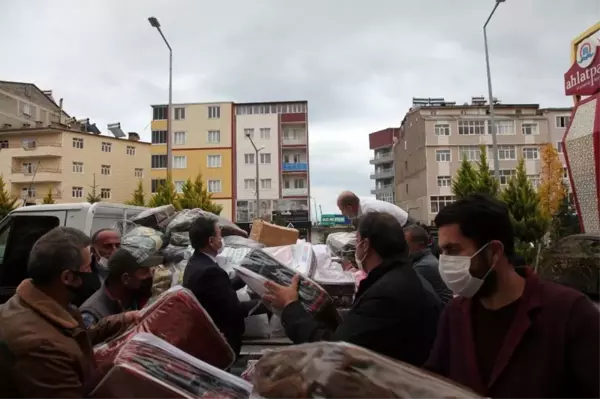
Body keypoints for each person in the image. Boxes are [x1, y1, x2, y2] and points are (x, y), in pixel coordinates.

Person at [425, 193, 600, 398]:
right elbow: (433, 381)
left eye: (453, 250)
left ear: (494, 252)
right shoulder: (455, 314)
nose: (444, 262)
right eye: (442, 252)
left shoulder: (569, 313)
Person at [264, 211, 441, 366]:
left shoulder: (388, 293)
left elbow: (335, 354)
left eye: (356, 241)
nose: (355, 248)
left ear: (365, 245)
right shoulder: (403, 279)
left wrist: (290, 307)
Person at [0, 227, 138, 399]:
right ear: (68, 278)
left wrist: (125, 318)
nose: (93, 272)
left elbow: (78, 336)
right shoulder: (40, 348)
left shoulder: (45, 302)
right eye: (89, 267)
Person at [183, 218, 264, 356]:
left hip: (208, 340)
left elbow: (219, 290)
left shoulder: (196, 263)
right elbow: (234, 310)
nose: (222, 240)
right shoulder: (209, 271)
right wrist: (264, 304)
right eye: (220, 235)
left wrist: (245, 276)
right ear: (211, 241)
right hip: (221, 344)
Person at [80, 247, 158, 328]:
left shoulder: (136, 294)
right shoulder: (91, 315)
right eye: (145, 272)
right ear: (126, 278)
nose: (151, 274)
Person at [404, 224, 453, 305]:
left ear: (420, 245)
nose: (403, 247)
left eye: (406, 244)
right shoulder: (425, 260)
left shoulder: (423, 266)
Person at [337, 190, 415, 227]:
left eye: (342, 210)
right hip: (400, 223)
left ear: (349, 208)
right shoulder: (360, 205)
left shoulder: (368, 211)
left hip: (405, 225)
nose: (342, 213)